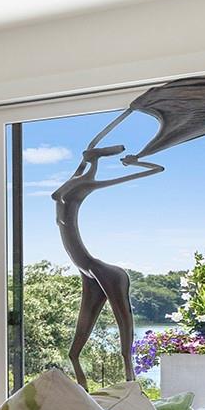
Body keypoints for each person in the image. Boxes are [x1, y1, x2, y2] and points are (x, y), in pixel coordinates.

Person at [52, 143, 163, 387]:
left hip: (102, 271)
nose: (84, 160)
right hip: (86, 270)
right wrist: (89, 159)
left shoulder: (86, 185)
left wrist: (135, 162)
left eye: (88, 157)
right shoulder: (78, 180)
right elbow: (60, 190)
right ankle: (83, 393)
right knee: (75, 350)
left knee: (123, 325)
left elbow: (156, 169)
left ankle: (130, 381)